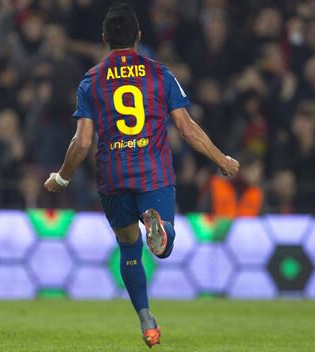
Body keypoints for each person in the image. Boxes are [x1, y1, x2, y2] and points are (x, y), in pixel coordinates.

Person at [43, 3, 239, 348]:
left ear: (104, 38)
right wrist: (221, 159)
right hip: (153, 172)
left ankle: (145, 318)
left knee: (128, 246)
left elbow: (83, 140)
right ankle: (160, 227)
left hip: (112, 176)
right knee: (162, 249)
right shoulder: (160, 73)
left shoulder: (91, 80)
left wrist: (62, 177)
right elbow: (186, 128)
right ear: (138, 35)